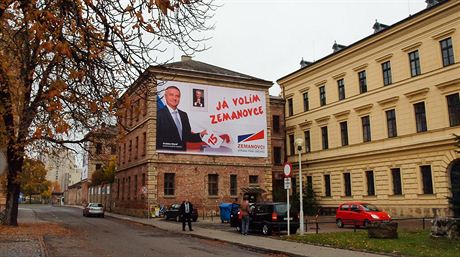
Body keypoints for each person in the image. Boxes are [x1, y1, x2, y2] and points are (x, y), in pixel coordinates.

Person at [157, 86, 207, 151]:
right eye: (171, 95)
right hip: (165, 156)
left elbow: (187, 136)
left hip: (182, 155)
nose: (174, 98)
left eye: (177, 96)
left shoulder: (184, 115)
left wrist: (201, 134)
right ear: (165, 96)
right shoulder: (158, 114)